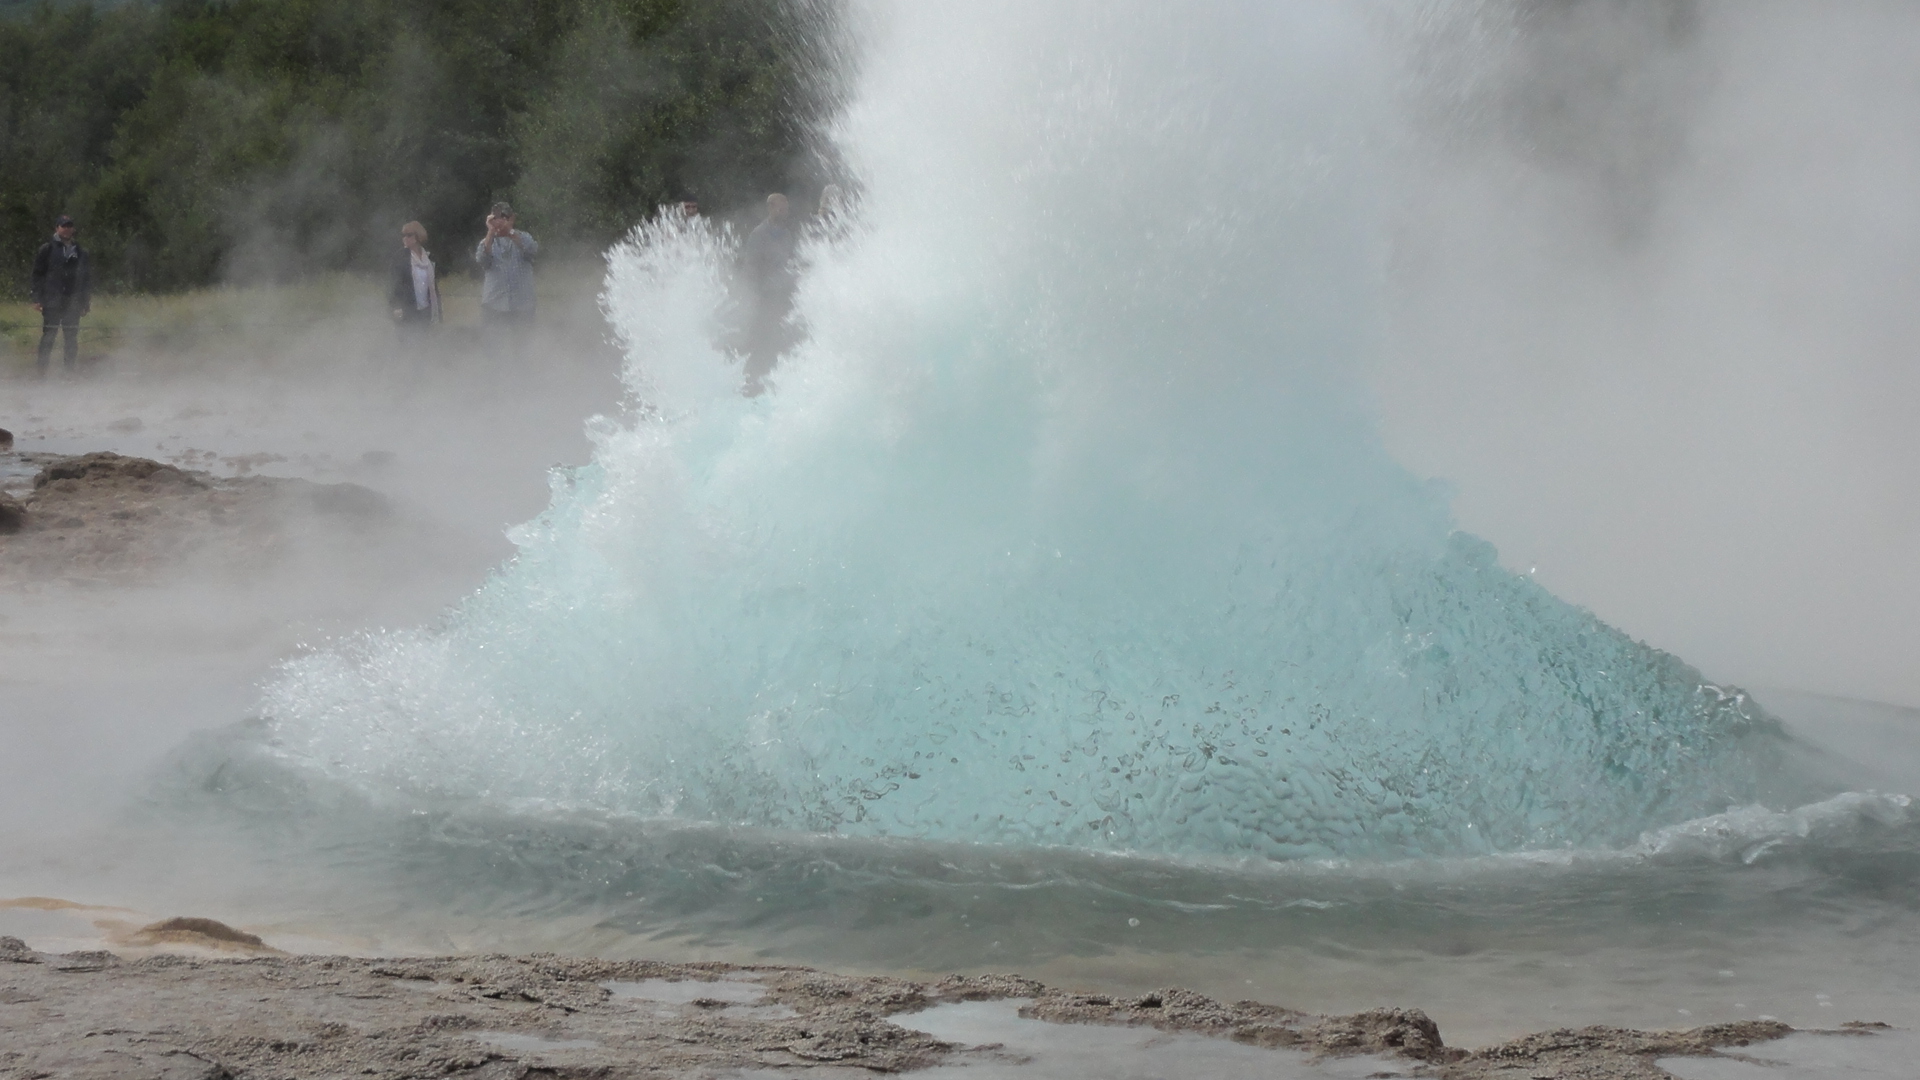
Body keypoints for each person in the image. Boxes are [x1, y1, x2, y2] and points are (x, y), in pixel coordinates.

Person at [739, 193, 798, 396]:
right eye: (782, 207)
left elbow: (790, 261)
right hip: (765, 298)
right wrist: (755, 295)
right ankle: (751, 382)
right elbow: (750, 267)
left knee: (782, 340)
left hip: (783, 297)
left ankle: (777, 383)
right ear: (771, 207)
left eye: (787, 208)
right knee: (761, 341)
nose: (786, 211)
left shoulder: (787, 234)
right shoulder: (759, 234)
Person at [30, 215, 91, 376]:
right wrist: (36, 298)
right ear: (57, 228)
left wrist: (85, 303)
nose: (67, 229)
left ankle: (68, 372)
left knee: (71, 338)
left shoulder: (80, 251)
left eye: (69, 225)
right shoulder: (47, 249)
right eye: (63, 226)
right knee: (48, 337)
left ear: (73, 229)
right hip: (52, 301)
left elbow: (85, 279)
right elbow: (37, 275)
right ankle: (41, 372)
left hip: (73, 302)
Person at [474, 201, 538, 331]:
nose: (501, 222)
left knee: (524, 349)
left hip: (523, 307)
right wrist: (491, 232)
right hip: (494, 307)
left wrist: (510, 232)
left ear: (512, 218)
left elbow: (532, 250)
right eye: (497, 218)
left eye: (505, 218)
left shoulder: (524, 237)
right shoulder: (486, 242)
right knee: (493, 348)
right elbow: (481, 259)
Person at [389, 220, 441, 334]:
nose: (405, 238)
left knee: (424, 346)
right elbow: (394, 284)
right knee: (409, 345)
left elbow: (433, 286)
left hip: (426, 310)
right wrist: (395, 306)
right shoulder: (400, 257)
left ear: (418, 236)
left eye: (409, 235)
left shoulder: (428, 258)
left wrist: (438, 311)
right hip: (408, 310)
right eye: (403, 235)